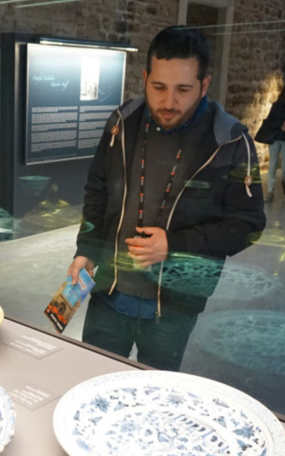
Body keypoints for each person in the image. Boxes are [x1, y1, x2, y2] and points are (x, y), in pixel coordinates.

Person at [65, 27, 266, 371]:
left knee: (154, 400)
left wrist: (174, 244)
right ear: (145, 78)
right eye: (158, 87)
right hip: (108, 293)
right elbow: (97, 190)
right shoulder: (121, 124)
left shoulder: (230, 141)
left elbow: (248, 224)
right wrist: (87, 246)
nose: (168, 102)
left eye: (183, 89)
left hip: (173, 307)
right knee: (93, 381)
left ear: (204, 86)